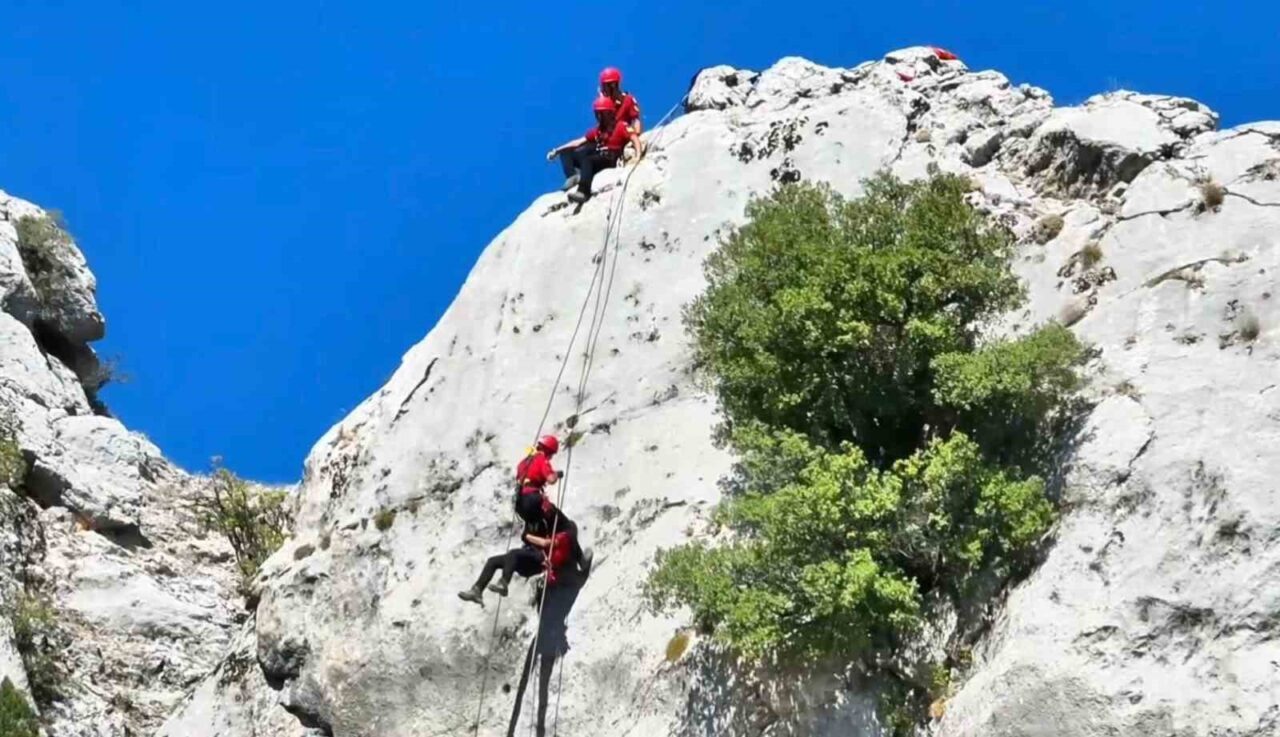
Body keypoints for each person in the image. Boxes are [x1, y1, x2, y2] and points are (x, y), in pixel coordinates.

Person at [514, 436, 590, 573]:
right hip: (534, 500)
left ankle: (537, 561)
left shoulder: (523, 463)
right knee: (567, 526)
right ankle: (581, 561)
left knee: (536, 530)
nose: (551, 457)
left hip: (521, 504)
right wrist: (556, 474)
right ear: (549, 451)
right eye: (552, 454)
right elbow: (551, 479)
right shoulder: (541, 459)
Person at [546, 96, 635, 203]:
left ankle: (583, 192)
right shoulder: (598, 131)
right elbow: (577, 142)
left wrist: (638, 155)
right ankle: (573, 177)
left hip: (609, 158)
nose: (599, 116)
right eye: (598, 113)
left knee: (588, 160)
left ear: (609, 113)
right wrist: (557, 151)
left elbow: (634, 137)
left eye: (602, 113)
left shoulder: (620, 126)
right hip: (598, 156)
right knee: (567, 152)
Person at [458, 529, 575, 605]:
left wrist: (528, 536)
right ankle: (477, 591)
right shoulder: (548, 531)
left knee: (513, 554)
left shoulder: (562, 536)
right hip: (529, 560)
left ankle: (504, 583)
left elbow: (546, 544)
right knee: (493, 561)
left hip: (540, 560)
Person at [598, 67, 643, 157]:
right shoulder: (606, 103)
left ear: (613, 85)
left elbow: (635, 119)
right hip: (608, 139)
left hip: (623, 136)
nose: (604, 89)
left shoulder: (628, 99)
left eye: (605, 86)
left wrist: (636, 135)